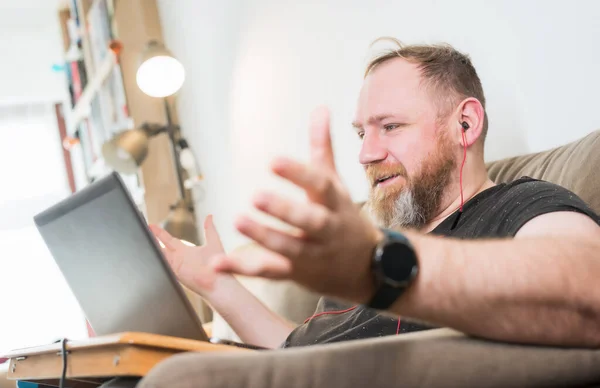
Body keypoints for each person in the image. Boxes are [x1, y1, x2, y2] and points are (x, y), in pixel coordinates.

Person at [151, 39, 600, 349]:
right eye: (361, 132)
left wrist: (383, 268)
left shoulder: (519, 206)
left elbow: (589, 281)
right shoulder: (362, 245)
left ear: (465, 124)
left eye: (390, 126)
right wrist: (216, 286)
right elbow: (299, 353)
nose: (366, 153)